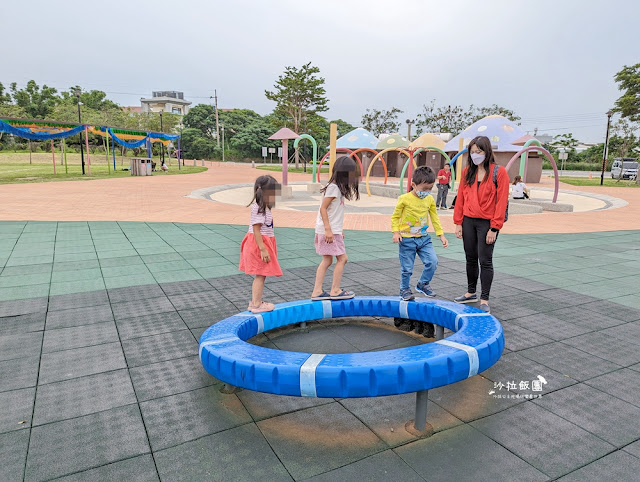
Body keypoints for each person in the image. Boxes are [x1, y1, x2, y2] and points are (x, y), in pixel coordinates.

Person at [453, 136, 509, 313]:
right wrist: (458, 222)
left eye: (479, 151)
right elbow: (460, 197)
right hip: (468, 220)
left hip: (487, 223)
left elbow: (501, 202)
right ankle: (471, 292)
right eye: (473, 151)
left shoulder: (498, 172)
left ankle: (484, 299)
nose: (476, 154)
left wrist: (495, 227)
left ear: (487, 151)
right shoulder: (467, 172)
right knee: (470, 258)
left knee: (485, 260)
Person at [392, 166, 449, 303]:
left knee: (432, 261)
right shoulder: (404, 199)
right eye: (424, 189)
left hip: (424, 239)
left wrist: (441, 234)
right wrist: (396, 232)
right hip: (406, 239)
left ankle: (423, 283)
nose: (427, 192)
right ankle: (404, 289)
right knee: (407, 268)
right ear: (413, 185)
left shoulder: (429, 200)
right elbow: (395, 217)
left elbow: (434, 217)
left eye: (430, 189)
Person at [311, 156, 360, 300]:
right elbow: (323, 209)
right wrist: (328, 229)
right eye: (351, 173)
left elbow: (334, 213)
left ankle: (317, 291)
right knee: (343, 259)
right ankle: (335, 290)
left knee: (327, 260)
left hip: (331, 230)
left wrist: (339, 229)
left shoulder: (336, 187)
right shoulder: (334, 188)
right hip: (328, 232)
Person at [239, 175, 283, 313]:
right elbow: (256, 229)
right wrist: (263, 249)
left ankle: (256, 302)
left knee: (261, 274)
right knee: (260, 274)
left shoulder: (264, 207)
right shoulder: (259, 207)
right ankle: (256, 304)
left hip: (261, 243)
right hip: (258, 244)